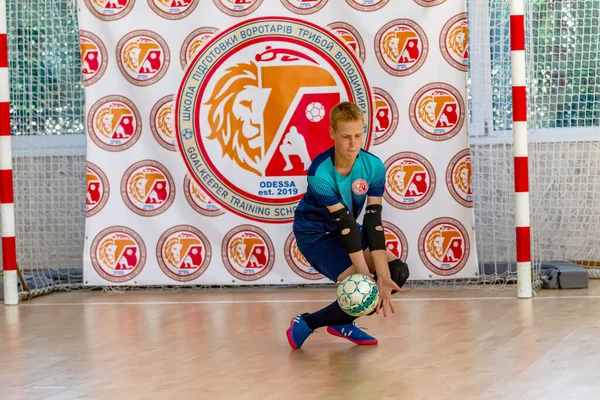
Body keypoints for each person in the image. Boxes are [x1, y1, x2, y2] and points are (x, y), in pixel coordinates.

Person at [286, 101, 410, 349]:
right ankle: (307, 323)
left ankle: (342, 321)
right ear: (332, 133)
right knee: (363, 284)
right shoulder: (319, 172)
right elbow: (345, 224)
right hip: (316, 234)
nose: (353, 143)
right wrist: (365, 273)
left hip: (348, 229)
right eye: (346, 137)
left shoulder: (374, 166)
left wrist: (383, 277)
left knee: (397, 272)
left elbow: (373, 221)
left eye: (358, 135)